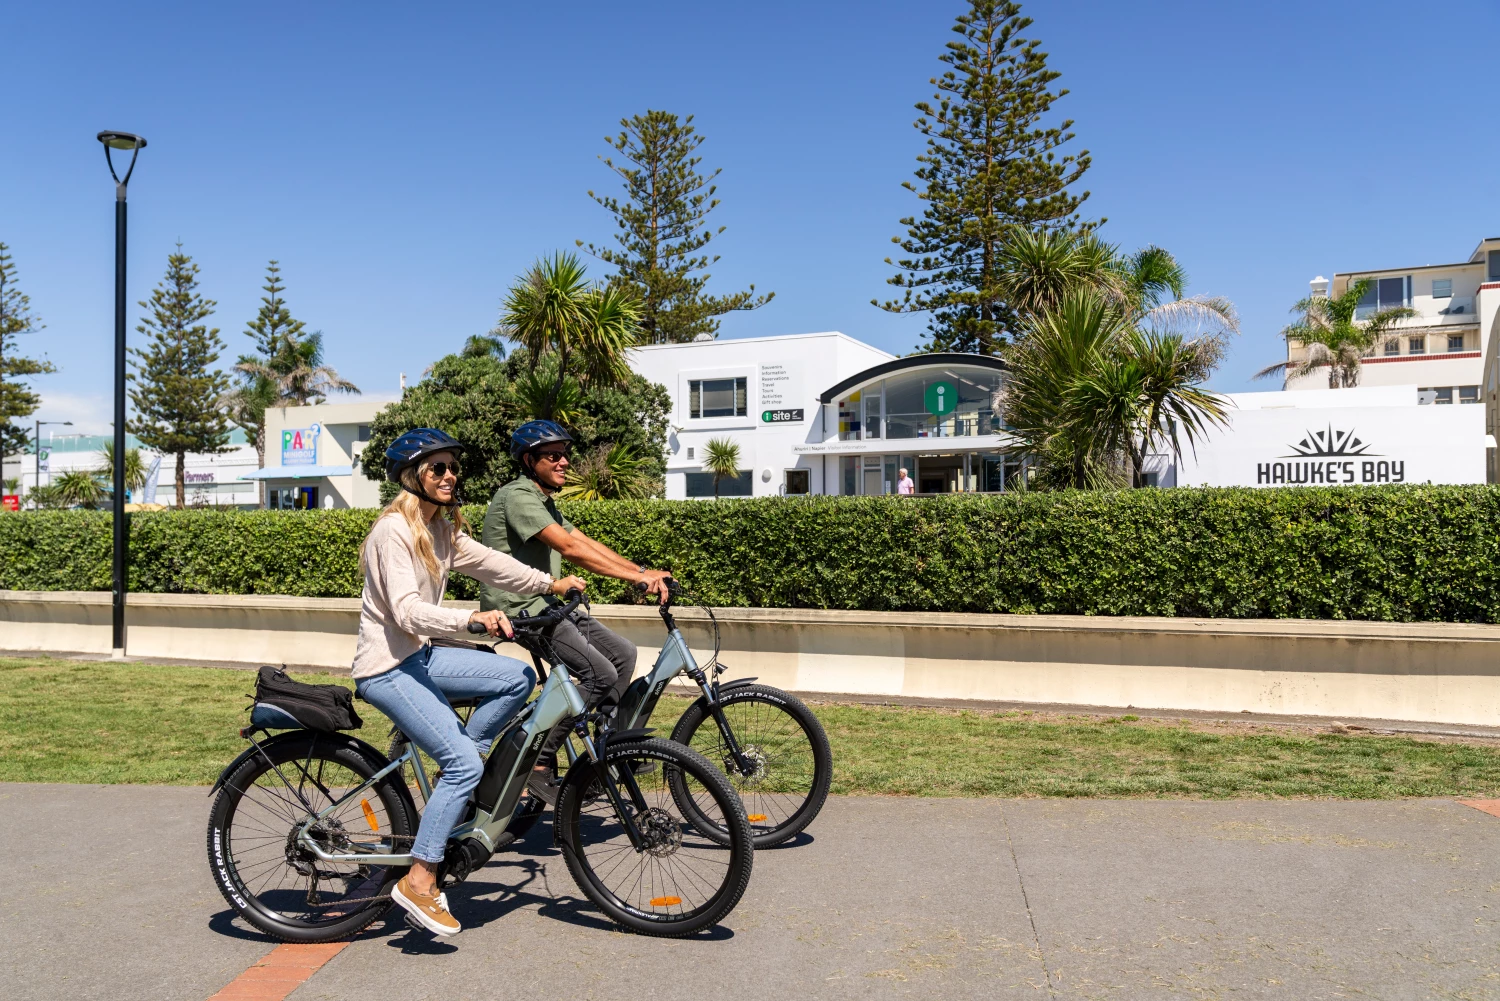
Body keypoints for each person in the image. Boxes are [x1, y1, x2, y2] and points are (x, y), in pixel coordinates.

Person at [353, 427, 587, 938]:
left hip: (422, 658)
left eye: (452, 466)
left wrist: (550, 582)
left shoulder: (440, 529)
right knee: (461, 763)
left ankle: (459, 777)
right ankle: (419, 880)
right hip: (387, 667)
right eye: (438, 468)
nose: (450, 475)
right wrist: (472, 621)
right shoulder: (392, 531)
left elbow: (491, 563)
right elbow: (406, 612)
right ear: (413, 476)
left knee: (517, 677)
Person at [480, 420, 675, 803]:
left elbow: (581, 540)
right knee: (598, 672)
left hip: (549, 605)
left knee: (624, 654)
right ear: (528, 459)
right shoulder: (517, 496)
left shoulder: (542, 500)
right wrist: (635, 580)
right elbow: (569, 550)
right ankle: (539, 762)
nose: (564, 461)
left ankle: (609, 751)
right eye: (553, 455)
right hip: (522, 610)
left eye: (566, 454)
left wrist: (640, 571)